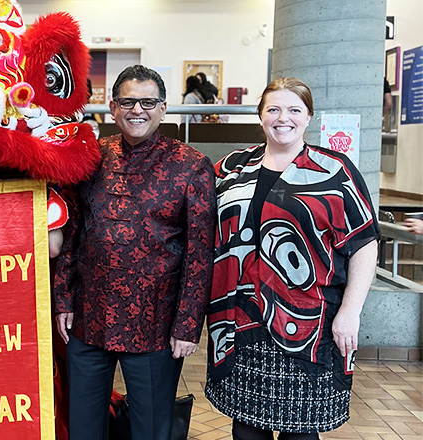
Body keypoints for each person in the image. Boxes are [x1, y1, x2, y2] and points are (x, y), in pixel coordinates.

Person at [205, 77, 380, 440]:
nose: (283, 118)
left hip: (309, 322)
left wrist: (351, 312)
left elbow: (364, 243)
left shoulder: (334, 171)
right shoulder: (231, 169)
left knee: (301, 432)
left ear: (309, 117)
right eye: (273, 109)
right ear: (261, 116)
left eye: (294, 110)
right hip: (241, 322)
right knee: (245, 429)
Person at [53, 65, 216, 440]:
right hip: (89, 317)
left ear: (163, 108)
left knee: (151, 429)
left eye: (147, 102)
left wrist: (188, 326)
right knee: (82, 426)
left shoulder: (191, 166)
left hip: (155, 326)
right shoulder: (90, 158)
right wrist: (63, 299)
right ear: (112, 106)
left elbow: (199, 254)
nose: (136, 110)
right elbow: (71, 230)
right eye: (127, 101)